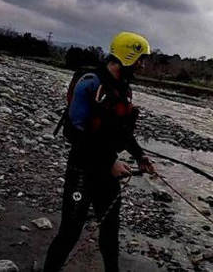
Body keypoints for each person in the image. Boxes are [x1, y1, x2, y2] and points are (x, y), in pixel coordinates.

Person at [44, 32, 155, 272]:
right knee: (70, 232)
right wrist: (110, 162)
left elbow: (122, 132)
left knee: (110, 234)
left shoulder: (124, 89)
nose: (142, 65)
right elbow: (76, 134)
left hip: (107, 173)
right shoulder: (90, 82)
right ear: (127, 56)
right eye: (140, 59)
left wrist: (140, 156)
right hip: (82, 169)